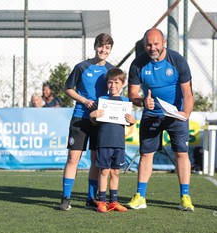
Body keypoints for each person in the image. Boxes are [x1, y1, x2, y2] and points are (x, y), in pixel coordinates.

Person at [127, 28, 195, 211]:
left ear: (163, 42)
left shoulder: (178, 61)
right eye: (149, 45)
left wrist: (185, 114)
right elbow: (132, 93)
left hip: (175, 115)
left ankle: (185, 196)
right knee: (146, 154)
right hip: (151, 114)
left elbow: (188, 94)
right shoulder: (137, 64)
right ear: (144, 45)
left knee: (181, 153)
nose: (152, 48)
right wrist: (142, 101)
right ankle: (140, 196)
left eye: (156, 44)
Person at [59, 33, 115, 211]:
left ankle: (91, 198)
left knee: (96, 160)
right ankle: (66, 198)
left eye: (107, 48)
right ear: (95, 46)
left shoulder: (112, 70)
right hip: (81, 117)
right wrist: (84, 101)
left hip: (101, 121)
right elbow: (68, 88)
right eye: (100, 46)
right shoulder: (81, 67)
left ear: (110, 50)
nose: (103, 50)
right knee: (73, 158)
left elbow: (116, 92)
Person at [89, 68, 136, 213]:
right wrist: (93, 115)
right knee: (104, 172)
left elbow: (129, 121)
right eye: (110, 82)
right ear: (107, 84)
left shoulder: (126, 102)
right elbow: (95, 122)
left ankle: (113, 202)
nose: (113, 85)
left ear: (122, 83)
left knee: (115, 172)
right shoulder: (102, 101)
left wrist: (132, 121)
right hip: (104, 142)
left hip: (119, 143)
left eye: (116, 82)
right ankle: (102, 202)